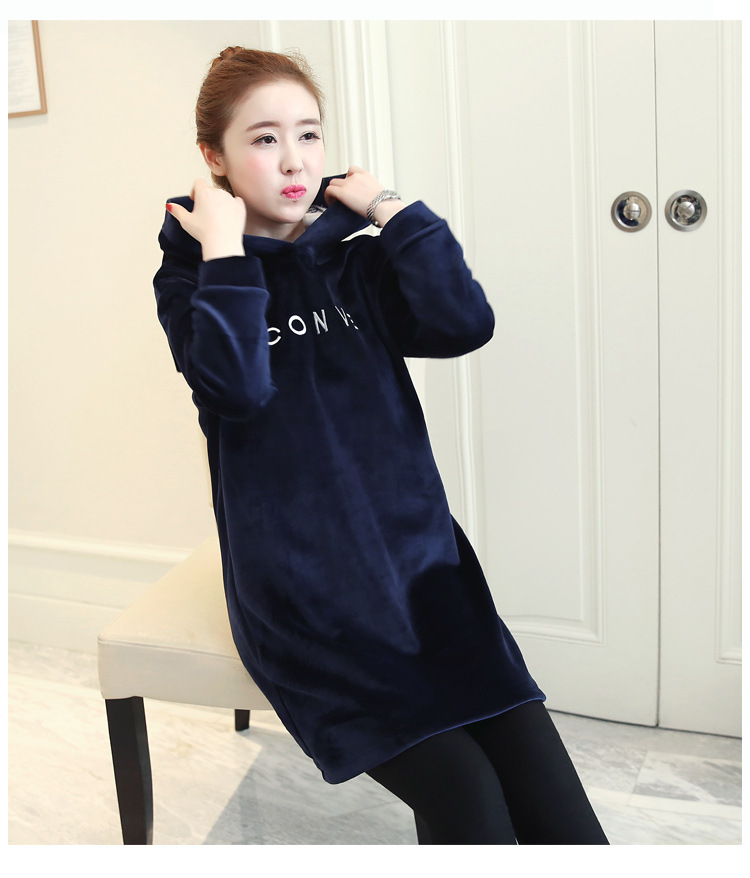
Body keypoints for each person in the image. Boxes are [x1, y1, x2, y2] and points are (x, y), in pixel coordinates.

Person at [154, 46, 608, 845]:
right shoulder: (193, 278)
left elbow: (463, 323)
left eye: (309, 134)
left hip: (426, 579)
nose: (295, 160)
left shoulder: (353, 263)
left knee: (556, 807)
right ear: (212, 157)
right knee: (468, 798)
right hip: (310, 604)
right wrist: (226, 251)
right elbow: (237, 389)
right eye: (264, 139)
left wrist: (395, 211)